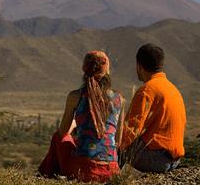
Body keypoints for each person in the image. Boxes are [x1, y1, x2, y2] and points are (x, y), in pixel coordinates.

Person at [38, 50, 125, 183]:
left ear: (84, 69)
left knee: (58, 137)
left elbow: (62, 132)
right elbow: (118, 140)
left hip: (83, 170)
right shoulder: (119, 99)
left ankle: (46, 174)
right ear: (107, 71)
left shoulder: (75, 96)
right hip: (111, 171)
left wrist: (74, 124)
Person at [119, 43, 186, 173]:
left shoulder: (147, 90)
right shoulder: (172, 88)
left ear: (139, 66)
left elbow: (131, 129)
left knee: (115, 145)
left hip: (157, 160)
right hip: (174, 160)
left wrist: (113, 148)